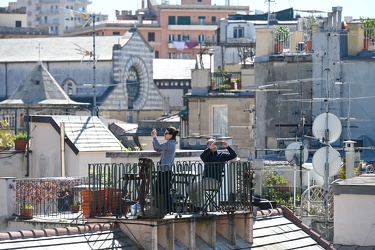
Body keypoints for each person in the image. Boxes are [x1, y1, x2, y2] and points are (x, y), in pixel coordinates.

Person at [187, 138, 237, 211]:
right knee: (189, 187)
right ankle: (196, 205)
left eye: (214, 144)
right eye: (211, 144)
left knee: (201, 185)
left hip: (215, 181)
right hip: (205, 180)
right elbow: (202, 156)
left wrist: (227, 147)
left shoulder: (222, 155)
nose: (213, 145)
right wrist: (209, 149)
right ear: (208, 146)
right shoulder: (206, 156)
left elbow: (233, 155)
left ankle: (198, 206)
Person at [151, 126, 179, 216]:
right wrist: (154, 139)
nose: (164, 134)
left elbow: (158, 146)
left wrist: (155, 137)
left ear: (171, 135)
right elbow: (157, 148)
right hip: (164, 170)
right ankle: (162, 208)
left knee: (164, 190)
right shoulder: (170, 143)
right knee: (159, 189)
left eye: (166, 133)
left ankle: (167, 208)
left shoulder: (170, 144)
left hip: (165, 171)